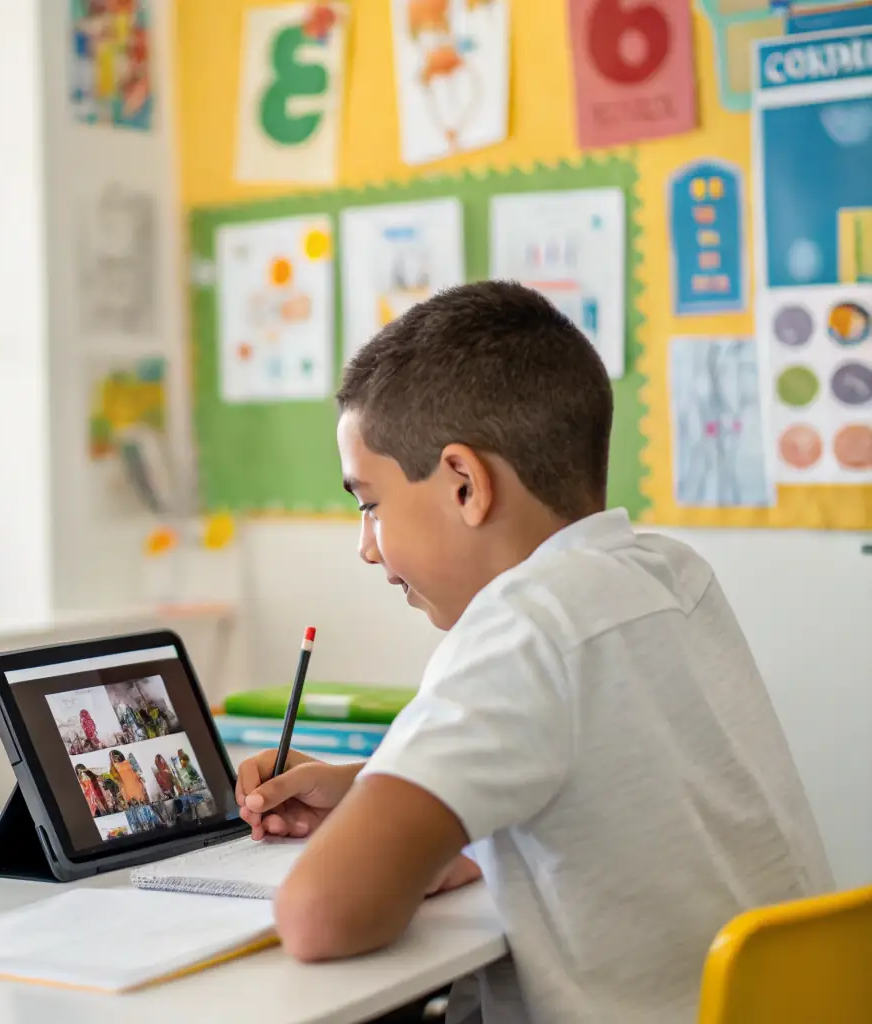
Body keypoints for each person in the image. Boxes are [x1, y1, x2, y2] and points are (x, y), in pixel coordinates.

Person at [236, 282, 834, 1024]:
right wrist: (364, 791)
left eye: (369, 504)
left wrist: (376, 836)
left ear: (465, 484)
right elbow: (599, 780)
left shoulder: (519, 628)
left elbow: (317, 915)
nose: (366, 546)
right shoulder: (671, 576)